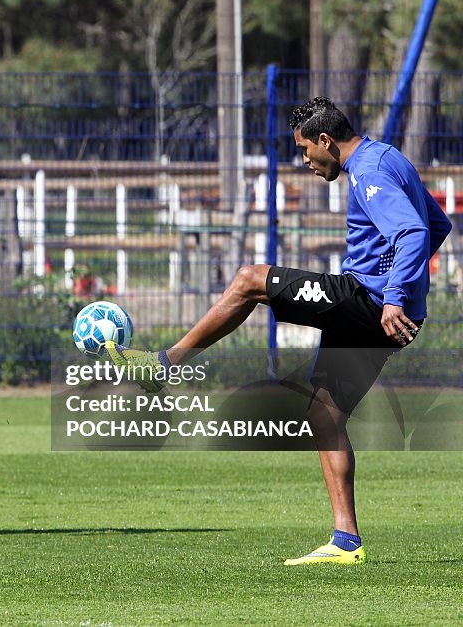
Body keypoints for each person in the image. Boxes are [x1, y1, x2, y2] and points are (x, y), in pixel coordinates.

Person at [110, 96, 451, 565]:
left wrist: (392, 295)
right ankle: (346, 542)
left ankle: (163, 364)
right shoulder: (389, 157)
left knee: (251, 279)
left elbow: (413, 233)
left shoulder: (369, 172)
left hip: (369, 302)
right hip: (384, 310)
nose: (305, 161)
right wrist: (406, 289)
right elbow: (439, 224)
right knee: (324, 415)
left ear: (326, 140)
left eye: (305, 149)